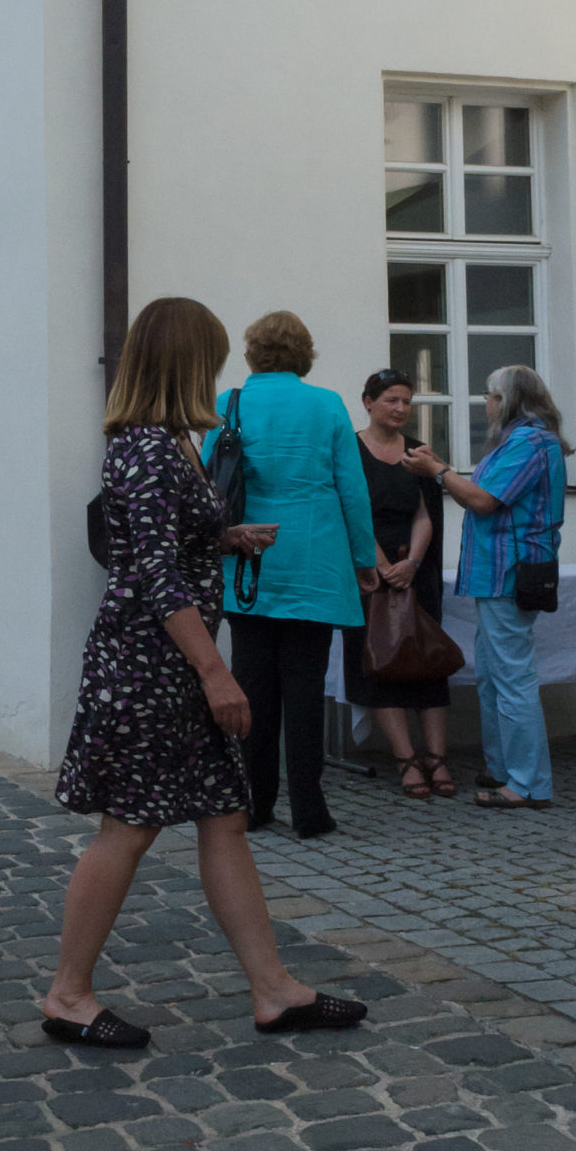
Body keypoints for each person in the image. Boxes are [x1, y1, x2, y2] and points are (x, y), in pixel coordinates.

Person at [48, 296, 367, 1049]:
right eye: (211, 356)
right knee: (126, 828)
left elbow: (153, 548)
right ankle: (67, 994)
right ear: (186, 362)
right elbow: (154, 575)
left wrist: (222, 539)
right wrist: (217, 673)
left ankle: (273, 990)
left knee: (224, 819)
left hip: (163, 661)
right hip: (149, 666)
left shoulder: (168, 444)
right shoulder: (150, 449)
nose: (220, 371)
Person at [205, 310, 377, 840]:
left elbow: (209, 484)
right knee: (305, 691)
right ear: (304, 353)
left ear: (253, 351)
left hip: (247, 563)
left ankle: (255, 804)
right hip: (314, 562)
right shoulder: (326, 405)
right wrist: (364, 558)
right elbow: (351, 489)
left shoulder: (227, 403)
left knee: (253, 688)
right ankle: (309, 809)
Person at [408, 365, 567, 810]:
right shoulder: (523, 439)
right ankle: (503, 769)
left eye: (491, 395)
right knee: (494, 677)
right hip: (499, 571)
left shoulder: (528, 441)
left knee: (512, 678)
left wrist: (438, 470)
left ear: (510, 400)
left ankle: (528, 783)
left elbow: (483, 500)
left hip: (510, 572)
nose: (486, 402)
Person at [345, 369, 453, 799]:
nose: (401, 409)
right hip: (368, 571)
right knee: (381, 661)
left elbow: (427, 512)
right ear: (368, 401)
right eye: (391, 400)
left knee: (428, 660)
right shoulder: (349, 450)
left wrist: (409, 562)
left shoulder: (418, 453)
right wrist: (382, 563)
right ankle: (406, 759)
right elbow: (351, 511)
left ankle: (438, 758)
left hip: (415, 569)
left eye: (407, 401)